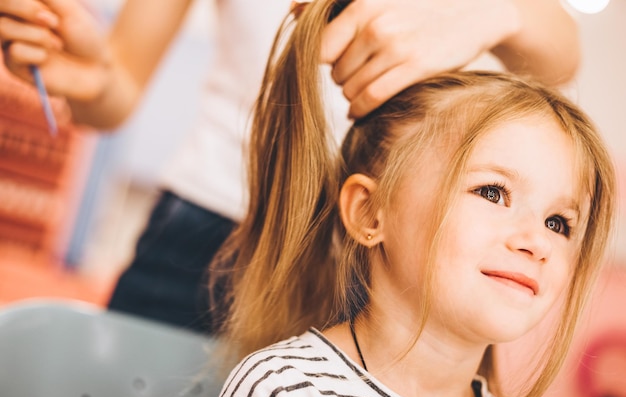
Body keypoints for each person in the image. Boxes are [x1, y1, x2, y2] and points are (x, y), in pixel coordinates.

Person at [0, 0, 581, 332]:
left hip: (384, 263)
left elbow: (562, 48)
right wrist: (93, 76)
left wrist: (488, 10)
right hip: (204, 239)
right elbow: (120, 84)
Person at [209, 1, 616, 397]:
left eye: (558, 223)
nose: (537, 242)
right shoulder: (288, 392)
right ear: (370, 213)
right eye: (492, 192)